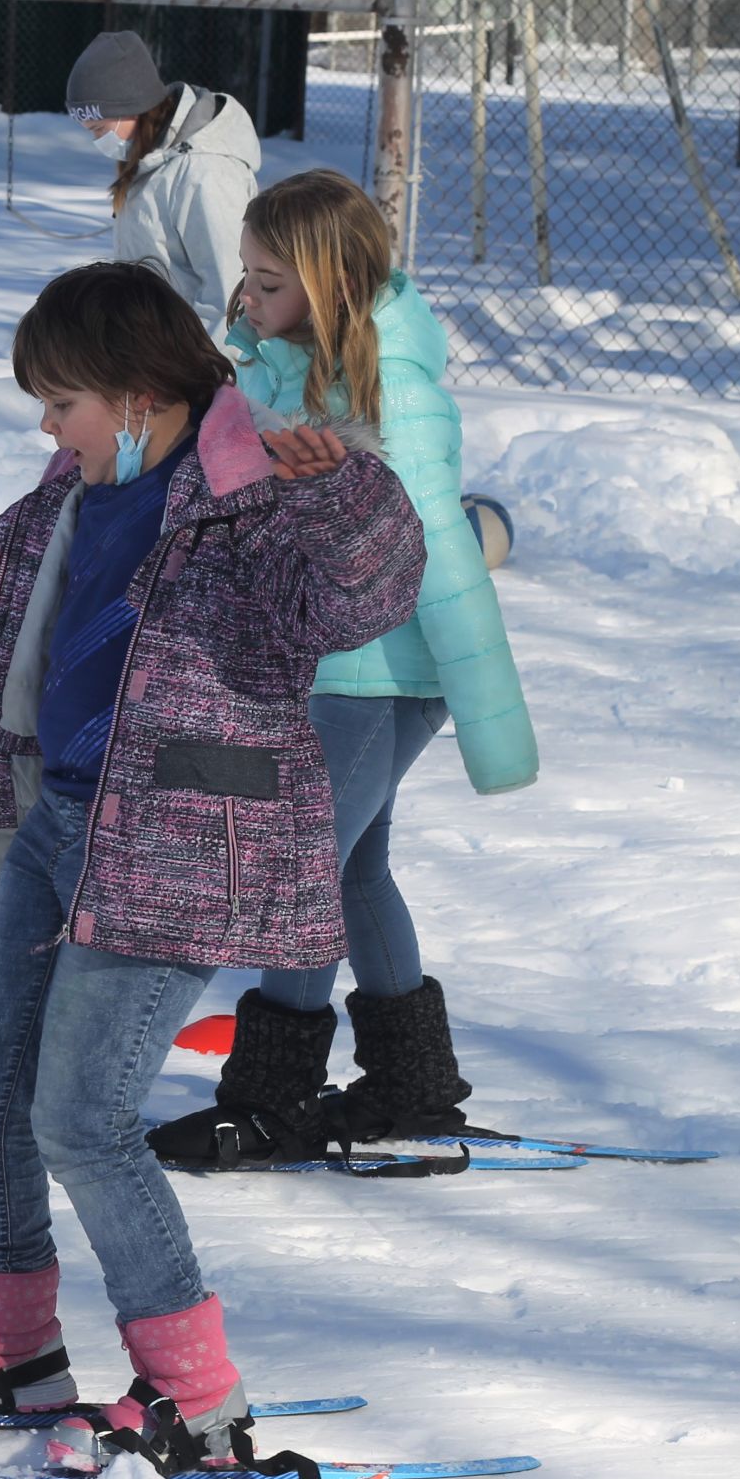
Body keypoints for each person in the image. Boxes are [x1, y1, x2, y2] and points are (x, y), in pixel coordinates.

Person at [0, 261, 425, 1479]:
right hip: (63, 818)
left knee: (81, 1114)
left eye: (59, 401)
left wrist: (342, 495)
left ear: (134, 395)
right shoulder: (80, 487)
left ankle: (195, 1394)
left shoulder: (251, 500)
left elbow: (361, 596)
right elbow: (7, 578)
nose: (45, 427)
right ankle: (12, 1345)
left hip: (181, 845)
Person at [150, 169, 539, 1169]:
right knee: (353, 868)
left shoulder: (389, 389)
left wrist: (488, 712)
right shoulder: (282, 364)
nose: (246, 296)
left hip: (383, 669)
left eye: (268, 281)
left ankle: (272, 1096)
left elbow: (437, 547)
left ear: (330, 285)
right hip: (323, 662)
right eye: (246, 275)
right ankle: (411, 1083)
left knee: (303, 872)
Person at [65, 30, 259, 325]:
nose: (97, 141)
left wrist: (202, 355)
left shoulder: (205, 172)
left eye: (99, 129)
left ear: (130, 107)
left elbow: (230, 293)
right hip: (155, 344)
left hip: (191, 350)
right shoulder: (150, 163)